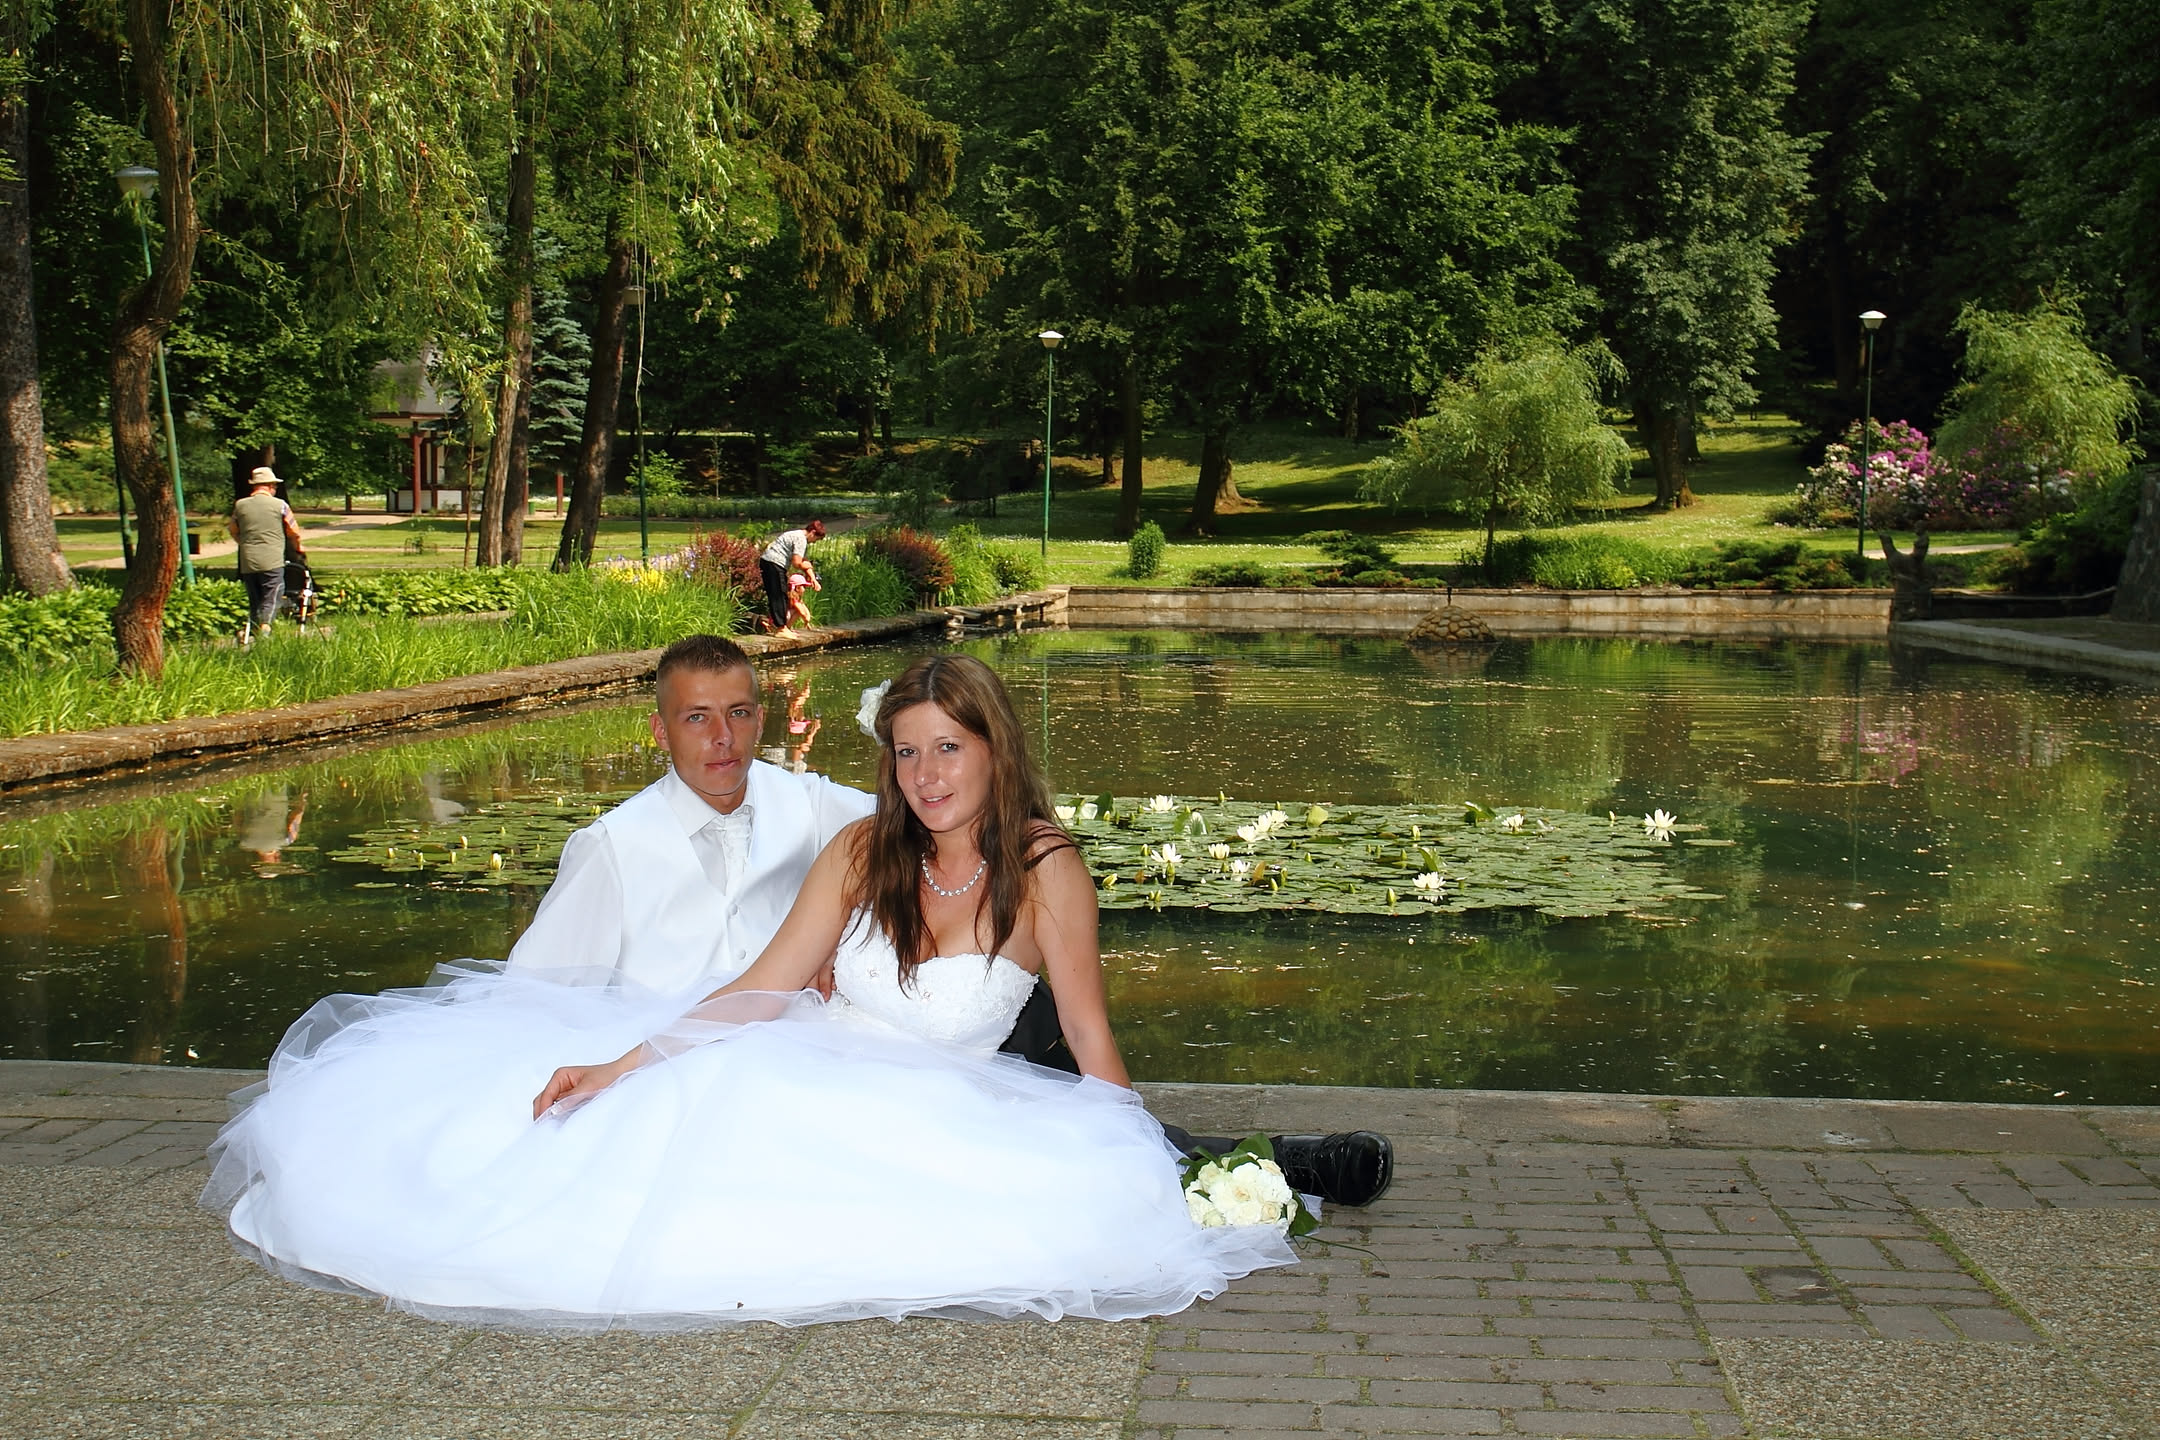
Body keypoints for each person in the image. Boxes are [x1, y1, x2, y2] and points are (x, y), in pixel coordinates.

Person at [204, 655, 1295, 1329]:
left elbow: (1090, 1038)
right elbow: (759, 987)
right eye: (906, 754)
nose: (926, 777)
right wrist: (623, 1062)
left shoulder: (1047, 869)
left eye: (948, 749)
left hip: (947, 1109)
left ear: (993, 750)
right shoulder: (865, 850)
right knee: (627, 1183)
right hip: (803, 1064)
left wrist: (1136, 1161)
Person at [505, 634, 872, 994]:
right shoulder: (610, 847)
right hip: (657, 1032)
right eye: (697, 717)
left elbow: (906, 832)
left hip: (801, 1026)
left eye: (738, 713)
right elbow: (535, 995)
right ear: (661, 732)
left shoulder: (809, 803)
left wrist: (842, 937)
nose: (723, 736)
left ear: (760, 721)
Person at [232, 466, 305, 642]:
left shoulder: (240, 505)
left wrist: (244, 543)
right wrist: (298, 548)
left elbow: (233, 529)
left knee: (255, 597)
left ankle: (252, 629)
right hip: (272, 559)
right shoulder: (280, 505)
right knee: (273, 593)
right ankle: (265, 627)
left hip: (248, 559)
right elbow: (293, 532)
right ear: (271, 486)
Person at [757, 519, 825, 633]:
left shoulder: (798, 535)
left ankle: (778, 626)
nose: (814, 542)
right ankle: (781, 629)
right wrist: (807, 565)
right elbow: (797, 563)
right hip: (774, 563)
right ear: (813, 532)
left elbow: (804, 560)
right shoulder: (801, 539)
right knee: (779, 595)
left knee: (780, 594)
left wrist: (813, 578)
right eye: (816, 539)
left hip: (769, 562)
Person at [785, 552, 821, 630]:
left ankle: (788, 627)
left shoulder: (797, 597)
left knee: (797, 611)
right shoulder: (792, 598)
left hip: (786, 616)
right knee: (797, 611)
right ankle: (787, 627)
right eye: (803, 586)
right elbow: (801, 611)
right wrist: (806, 619)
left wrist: (807, 617)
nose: (804, 589)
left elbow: (803, 607)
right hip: (784, 617)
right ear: (797, 588)